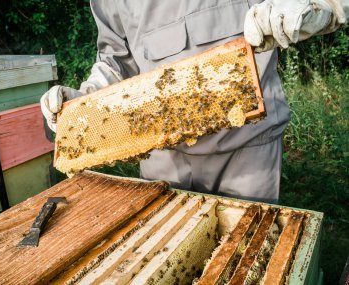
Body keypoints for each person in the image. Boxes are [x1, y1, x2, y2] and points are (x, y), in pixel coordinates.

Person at [41, 0, 348, 204]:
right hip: (162, 156)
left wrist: (317, 7)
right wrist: (87, 100)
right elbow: (116, 61)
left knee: (246, 258)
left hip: (247, 149)